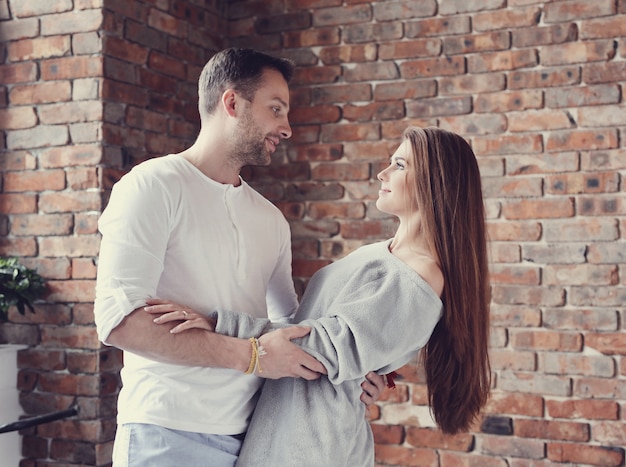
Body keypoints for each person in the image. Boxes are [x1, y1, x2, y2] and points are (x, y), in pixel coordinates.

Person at [94, 47, 384, 467]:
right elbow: (119, 321)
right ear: (232, 103)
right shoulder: (152, 186)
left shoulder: (270, 219)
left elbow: (292, 330)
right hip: (167, 435)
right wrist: (253, 356)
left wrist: (351, 374)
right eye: (276, 109)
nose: (286, 128)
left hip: (257, 440)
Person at [148, 126, 492, 466]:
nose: (382, 173)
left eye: (400, 165)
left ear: (436, 181)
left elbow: (323, 349)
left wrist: (217, 323)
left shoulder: (421, 274)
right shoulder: (383, 254)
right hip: (295, 426)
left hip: (312, 443)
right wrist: (370, 368)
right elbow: (352, 337)